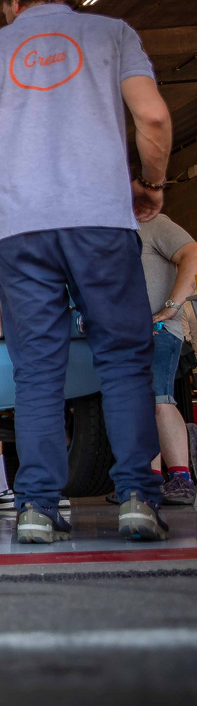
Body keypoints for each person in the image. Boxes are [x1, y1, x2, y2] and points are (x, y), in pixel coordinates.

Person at [0, 0, 174, 544]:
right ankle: (138, 499)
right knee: (121, 358)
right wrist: (152, 183)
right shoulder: (112, 34)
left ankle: (38, 506)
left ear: (12, 5)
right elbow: (154, 117)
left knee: (37, 371)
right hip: (99, 221)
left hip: (20, 232)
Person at [141, 213, 197, 504]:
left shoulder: (153, 222)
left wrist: (173, 306)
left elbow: (191, 251)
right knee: (139, 402)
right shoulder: (104, 230)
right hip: (123, 335)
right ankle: (150, 479)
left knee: (159, 398)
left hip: (158, 328)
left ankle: (181, 478)